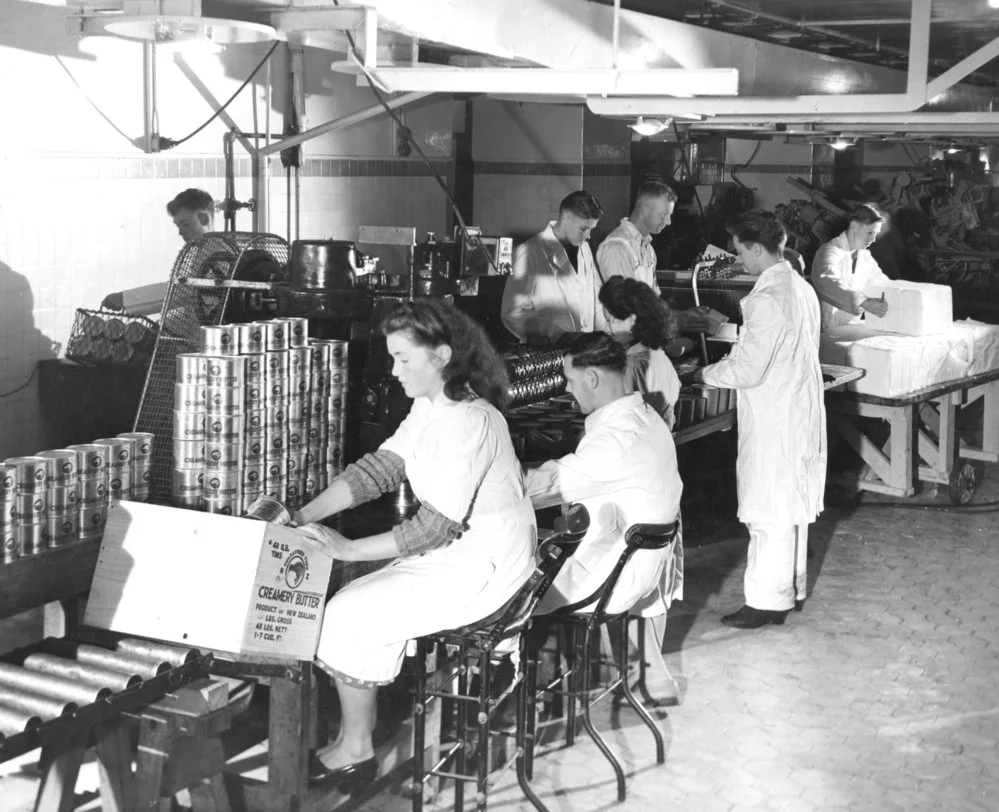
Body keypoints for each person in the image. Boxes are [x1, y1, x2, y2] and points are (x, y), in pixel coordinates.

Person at [293, 299, 537, 794]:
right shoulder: (432, 405)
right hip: (463, 549)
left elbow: (435, 529)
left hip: (486, 561)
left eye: (403, 358)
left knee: (347, 611)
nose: (393, 368)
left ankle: (356, 750)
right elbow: (379, 470)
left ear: (441, 355)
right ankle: (351, 739)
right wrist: (299, 517)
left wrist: (346, 548)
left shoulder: (468, 420)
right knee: (354, 599)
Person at [695, 210, 826, 629]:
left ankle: (766, 603)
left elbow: (748, 370)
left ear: (756, 248)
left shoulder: (768, 298)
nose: (738, 260)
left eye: (739, 252)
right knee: (789, 505)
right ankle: (790, 590)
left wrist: (703, 374)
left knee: (768, 508)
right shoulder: (800, 288)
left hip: (775, 416)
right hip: (796, 409)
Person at [525, 332, 683, 623]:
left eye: (571, 381)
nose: (569, 391)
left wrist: (487, 475)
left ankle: (513, 665)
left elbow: (542, 487)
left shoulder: (617, 440)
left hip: (608, 578)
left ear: (592, 379)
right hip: (638, 566)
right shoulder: (647, 418)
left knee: (493, 589)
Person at [501, 191, 605, 345]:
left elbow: (596, 300)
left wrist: (605, 337)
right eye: (584, 229)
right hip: (549, 350)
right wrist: (555, 333)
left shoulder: (584, 249)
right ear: (566, 218)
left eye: (591, 229)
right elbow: (513, 312)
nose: (588, 236)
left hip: (584, 351)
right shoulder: (529, 251)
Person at [598, 275, 682, 428]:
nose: (606, 329)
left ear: (632, 320)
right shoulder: (658, 355)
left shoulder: (632, 365)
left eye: (610, 320)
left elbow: (620, 425)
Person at [811, 203, 892, 330]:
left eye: (876, 234)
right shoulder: (829, 250)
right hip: (824, 329)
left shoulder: (865, 257)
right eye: (870, 232)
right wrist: (864, 302)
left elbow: (881, 283)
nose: (873, 239)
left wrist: (899, 295)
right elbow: (827, 282)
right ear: (854, 226)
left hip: (851, 328)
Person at [596, 179, 677, 293]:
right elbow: (623, 306)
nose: (668, 222)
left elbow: (653, 302)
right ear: (645, 210)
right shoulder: (617, 248)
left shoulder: (648, 249)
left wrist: (682, 312)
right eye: (663, 215)